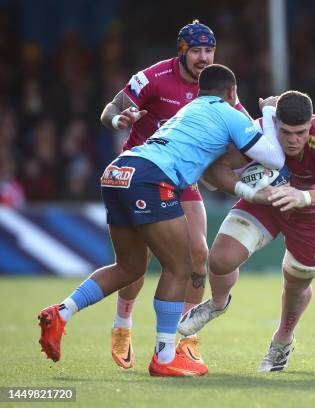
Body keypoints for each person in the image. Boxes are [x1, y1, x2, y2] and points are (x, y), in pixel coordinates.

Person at [38, 64, 285, 377]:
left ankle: (62, 312)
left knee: (129, 268)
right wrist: (268, 114)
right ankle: (165, 356)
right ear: (232, 93)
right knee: (179, 266)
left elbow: (210, 168)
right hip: (152, 178)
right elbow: (274, 159)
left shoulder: (189, 109)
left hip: (118, 171)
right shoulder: (230, 113)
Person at [177, 91, 315, 372]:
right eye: (286, 132)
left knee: (295, 286)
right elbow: (215, 170)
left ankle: (283, 339)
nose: (293, 140)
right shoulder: (258, 131)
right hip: (267, 202)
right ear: (274, 123)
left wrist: (304, 197)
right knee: (219, 260)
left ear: (310, 125)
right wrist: (250, 193)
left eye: (301, 132)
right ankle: (217, 304)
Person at [99, 20, 251, 369]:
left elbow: (244, 124)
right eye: (196, 51)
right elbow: (110, 109)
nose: (203, 57)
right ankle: (123, 324)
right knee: (140, 261)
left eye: (209, 50)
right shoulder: (152, 77)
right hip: (143, 172)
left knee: (198, 255)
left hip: (184, 179)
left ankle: (186, 339)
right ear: (181, 51)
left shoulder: (217, 87)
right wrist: (118, 120)